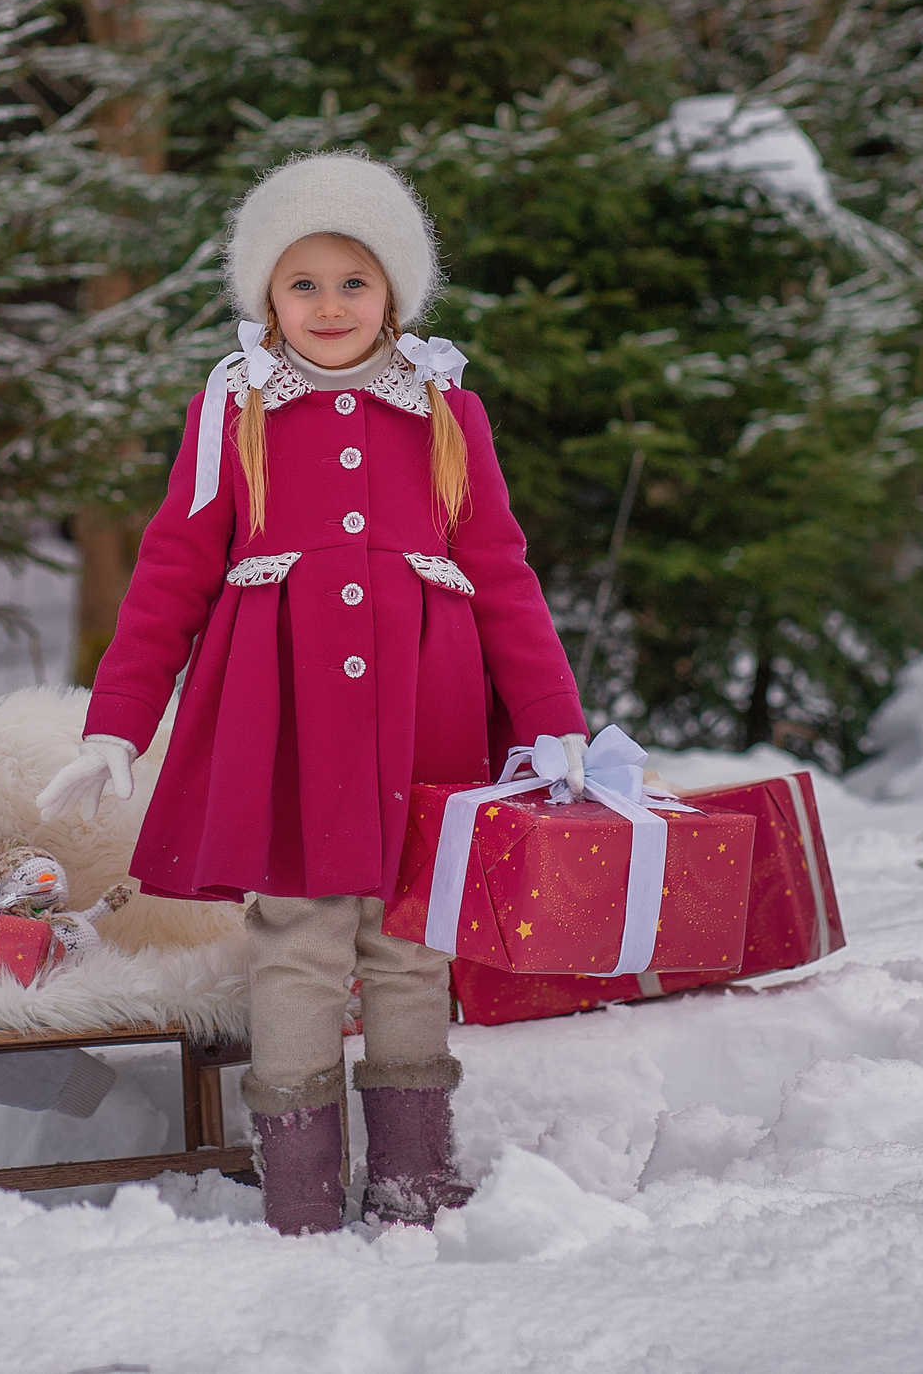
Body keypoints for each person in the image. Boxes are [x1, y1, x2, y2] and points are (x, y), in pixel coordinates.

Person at [35, 153, 589, 1234]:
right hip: (279, 724)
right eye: (302, 283)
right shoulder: (233, 410)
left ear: (394, 291)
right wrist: (116, 727)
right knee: (294, 939)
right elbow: (167, 578)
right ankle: (298, 1193)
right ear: (263, 294)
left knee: (406, 939)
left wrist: (552, 719)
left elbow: (502, 571)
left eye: (353, 281)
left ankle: (415, 1179)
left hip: (425, 721)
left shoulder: (444, 410)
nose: (328, 306)